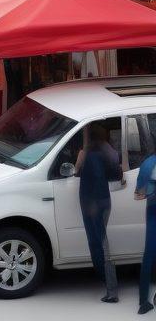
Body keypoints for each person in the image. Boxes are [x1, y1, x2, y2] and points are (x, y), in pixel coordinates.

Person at [75, 121, 123, 303]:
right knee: (100, 242)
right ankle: (107, 282)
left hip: (91, 203)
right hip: (104, 201)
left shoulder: (85, 154)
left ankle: (111, 289)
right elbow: (118, 174)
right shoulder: (109, 151)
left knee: (99, 243)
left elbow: (76, 170)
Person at [136, 134, 156, 314]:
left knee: (148, 257)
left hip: (152, 213)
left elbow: (138, 195)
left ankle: (143, 302)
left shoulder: (147, 164)